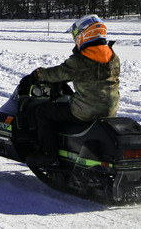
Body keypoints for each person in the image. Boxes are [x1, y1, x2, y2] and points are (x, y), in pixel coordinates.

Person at [24, 15, 121, 166]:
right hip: (110, 111)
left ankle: (48, 154)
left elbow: (57, 74)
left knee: (42, 111)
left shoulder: (80, 60)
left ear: (83, 34)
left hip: (84, 112)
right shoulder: (113, 57)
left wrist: (38, 73)